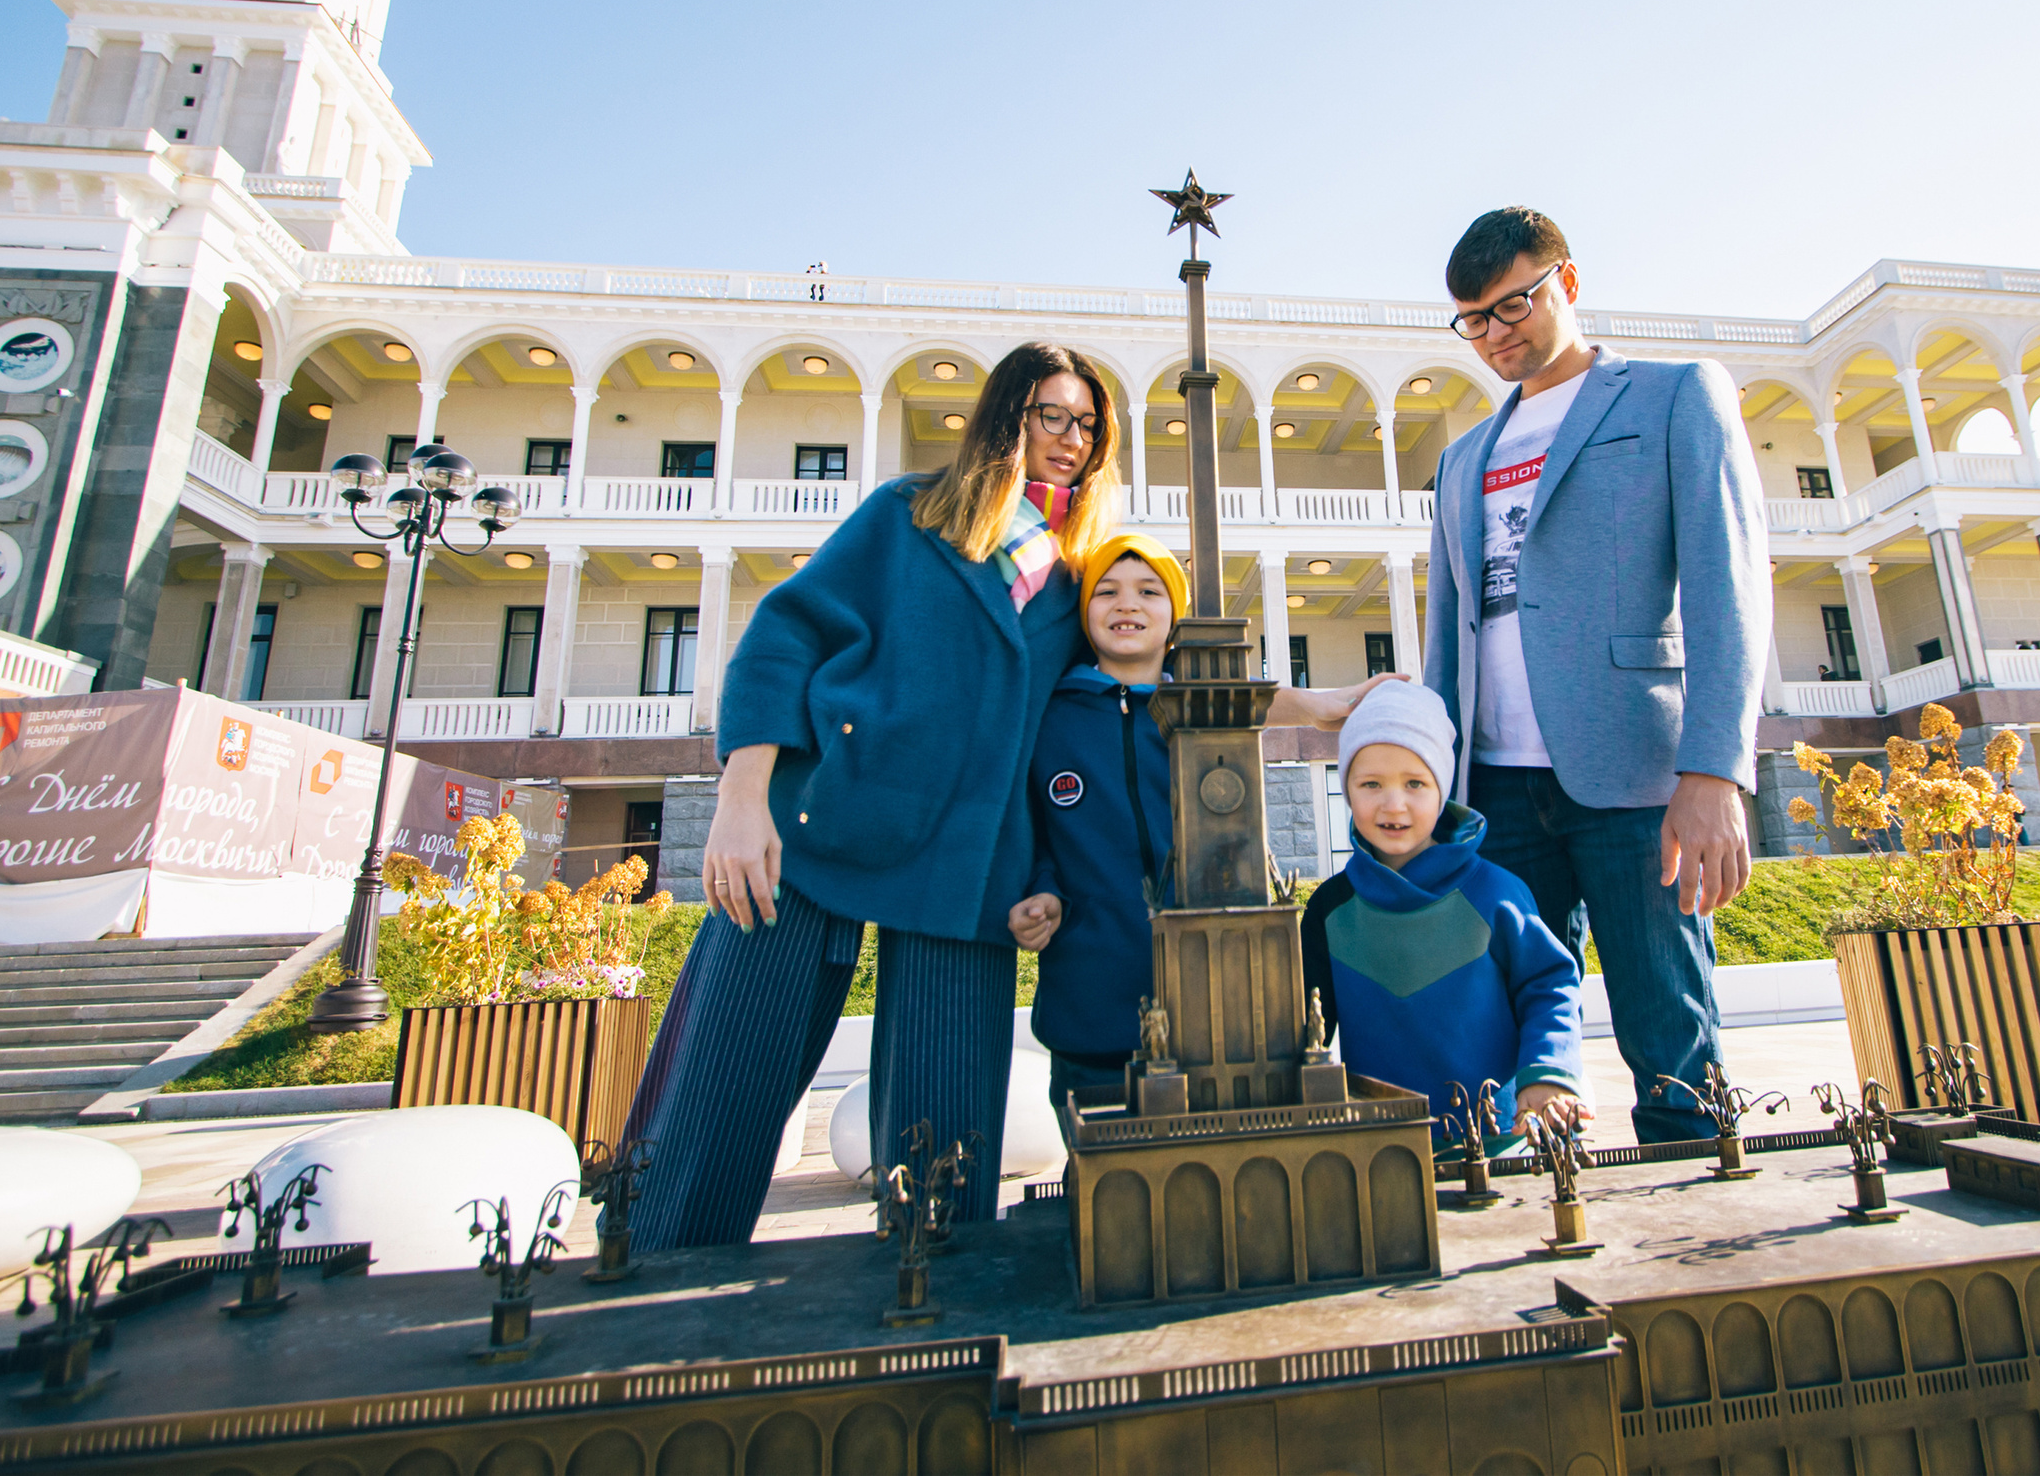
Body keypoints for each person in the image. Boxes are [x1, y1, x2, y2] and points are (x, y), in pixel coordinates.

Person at [622, 341, 1119, 1249]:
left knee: (942, 1167)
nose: (1072, 438)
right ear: (1007, 418)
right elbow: (785, 633)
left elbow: (1085, 727)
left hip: (969, 872)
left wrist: (1044, 874)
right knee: (721, 1092)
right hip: (814, 827)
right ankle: (655, 1277)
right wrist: (742, 799)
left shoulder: (1079, 578)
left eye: (1088, 423)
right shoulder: (908, 514)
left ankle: (932, 1301)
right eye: (1052, 415)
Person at [1424, 207, 1767, 1143]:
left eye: (1514, 304)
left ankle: (1701, 1203)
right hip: (1495, 787)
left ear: (1567, 283)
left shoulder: (1673, 395)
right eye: (1474, 320)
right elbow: (1448, 635)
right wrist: (1440, 788)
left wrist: (1715, 769)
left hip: (1637, 777)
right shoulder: (1460, 459)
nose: (1496, 334)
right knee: (1515, 1052)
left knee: (1672, 1043)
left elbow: (1728, 589)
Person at [1007, 531, 1393, 1117]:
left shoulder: (1200, 714)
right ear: (1083, 613)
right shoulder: (1050, 715)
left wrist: (1320, 705)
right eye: (1107, 591)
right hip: (1090, 1011)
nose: (1127, 604)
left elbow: (1247, 699)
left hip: (1218, 1015)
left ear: (1175, 617)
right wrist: (1041, 892)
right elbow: (1033, 832)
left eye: (1149, 591)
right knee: (1101, 1169)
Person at [1298, 682, 1587, 1153]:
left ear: (1442, 789)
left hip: (1501, 1148)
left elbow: (1550, 987)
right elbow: (1302, 1032)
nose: (1394, 804)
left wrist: (1548, 1074)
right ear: (1346, 789)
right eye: (1371, 784)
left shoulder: (1497, 894)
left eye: (1415, 783)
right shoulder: (1330, 910)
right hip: (1378, 1157)